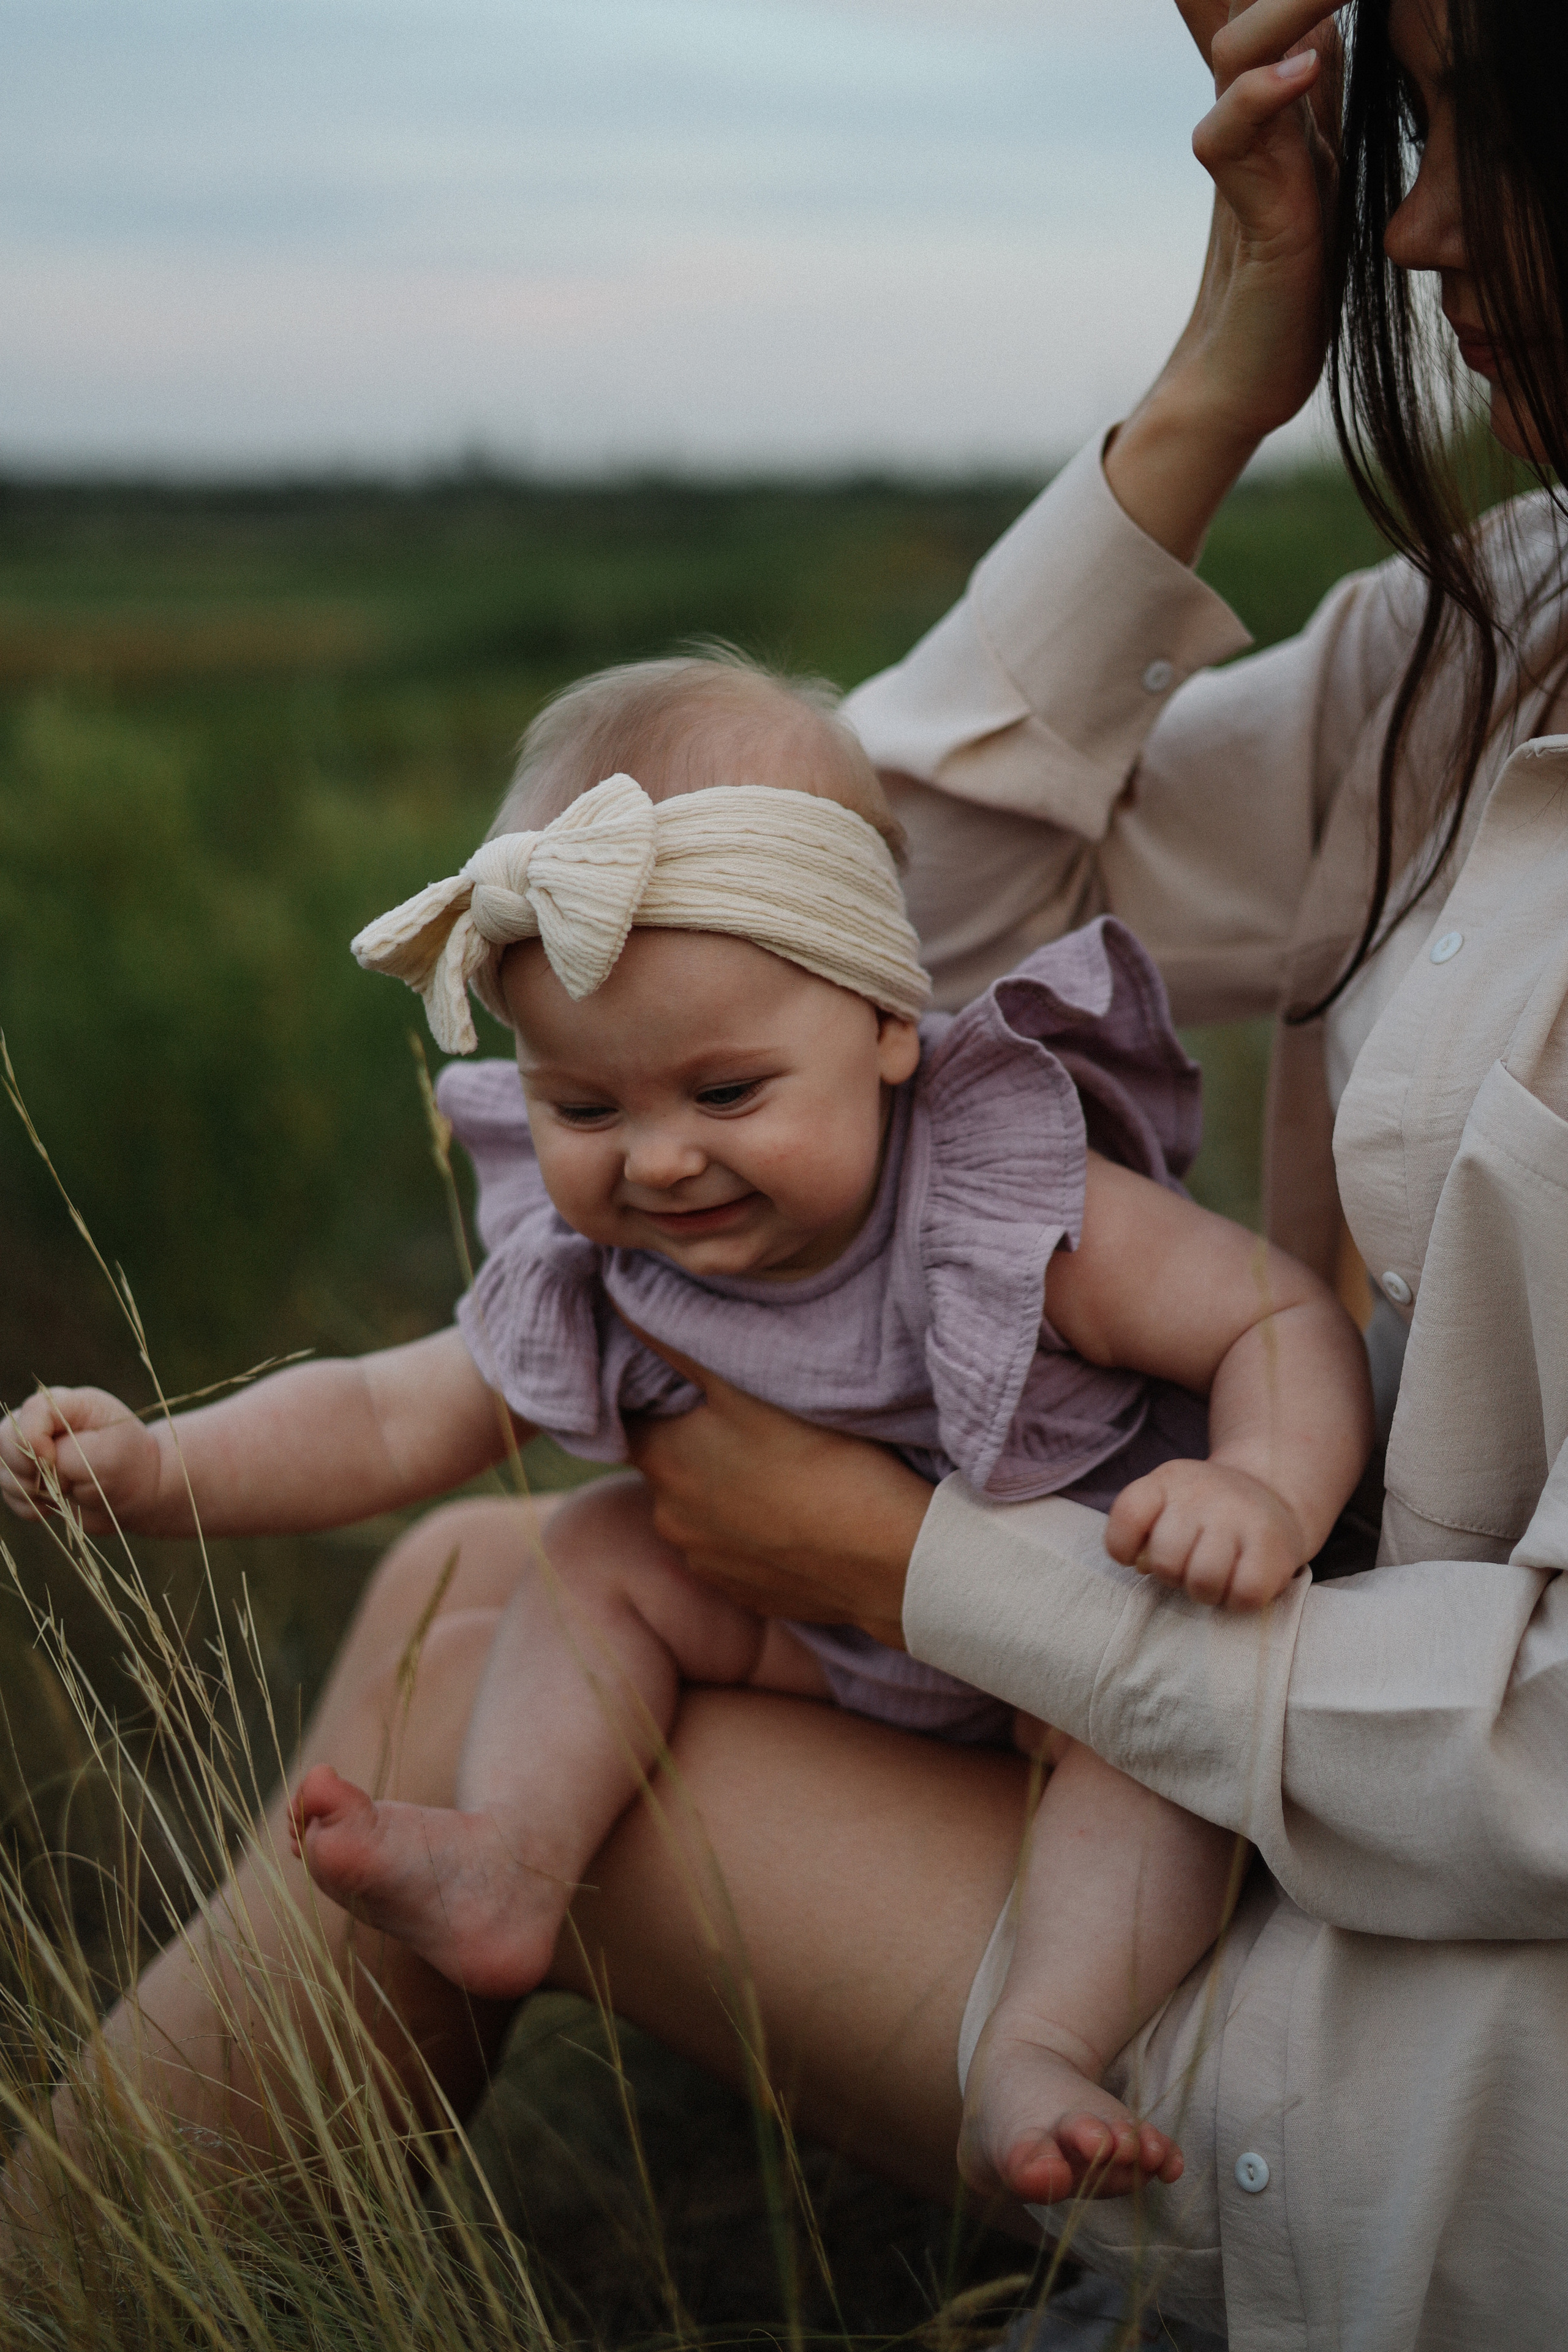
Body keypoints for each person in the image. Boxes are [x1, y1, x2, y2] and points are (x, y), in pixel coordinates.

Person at [4, 0, 1567, 2339]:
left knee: (474, 1636)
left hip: (1456, 2012)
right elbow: (860, 910)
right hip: (1251, 1773)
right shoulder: (1495, 631)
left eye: (1496, 115)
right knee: (488, 1575)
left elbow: (931, 1034)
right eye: (1409, 122)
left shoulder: (1004, 1204)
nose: (1418, 214)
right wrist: (1214, 386)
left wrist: (916, 1560)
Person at [1, 654, 1370, 2207]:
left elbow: (1271, 1317)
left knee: (1143, 1772)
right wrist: (159, 1468)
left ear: (883, 1029)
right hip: (838, 1647)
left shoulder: (1005, 1198)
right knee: (592, 1553)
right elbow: (395, 1411)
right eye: (584, 1110)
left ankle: (1039, 2044)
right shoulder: (603, 1257)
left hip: (1075, 1647)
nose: (657, 1161)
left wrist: (1258, 1482)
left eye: (725, 1091)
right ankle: (515, 1856)